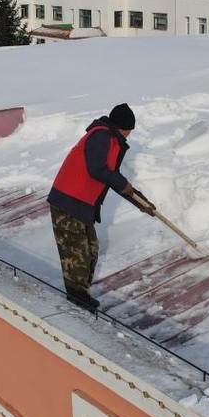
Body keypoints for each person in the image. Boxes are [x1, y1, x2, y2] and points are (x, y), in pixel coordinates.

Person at [47, 104, 155, 312]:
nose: (130, 133)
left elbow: (112, 178)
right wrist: (124, 185)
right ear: (123, 126)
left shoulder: (112, 140)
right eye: (129, 129)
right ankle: (78, 299)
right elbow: (98, 169)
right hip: (68, 201)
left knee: (90, 251)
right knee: (76, 253)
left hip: (81, 204)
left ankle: (81, 294)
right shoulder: (101, 137)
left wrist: (141, 203)